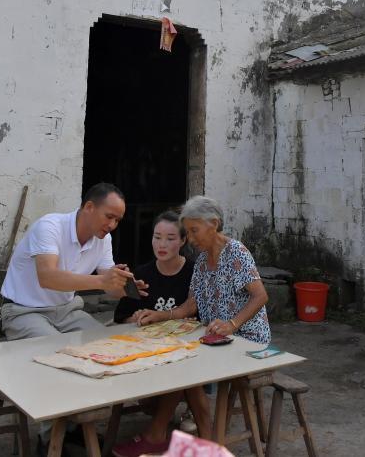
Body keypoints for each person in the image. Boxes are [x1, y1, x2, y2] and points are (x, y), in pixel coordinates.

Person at [112, 195, 270, 457]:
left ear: (214, 224)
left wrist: (232, 324)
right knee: (179, 361)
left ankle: (165, 435)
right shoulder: (201, 261)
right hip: (215, 338)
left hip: (246, 339)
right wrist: (158, 315)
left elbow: (260, 296)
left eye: (194, 231)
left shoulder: (236, 252)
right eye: (189, 232)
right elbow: (190, 306)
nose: (192, 238)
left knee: (186, 368)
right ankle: (198, 441)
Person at [0, 182, 147, 341]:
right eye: (109, 217)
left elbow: (109, 288)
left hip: (67, 311)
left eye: (117, 220)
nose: (112, 225)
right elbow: (47, 277)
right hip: (24, 310)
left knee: (107, 344)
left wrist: (124, 287)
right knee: (57, 350)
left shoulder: (103, 240)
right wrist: (103, 280)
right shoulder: (50, 226)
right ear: (89, 207)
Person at [112, 210, 194, 324]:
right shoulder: (141, 274)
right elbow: (121, 317)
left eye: (170, 239)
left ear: (183, 240)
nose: (162, 245)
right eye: (157, 237)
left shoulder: (194, 272)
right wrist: (135, 319)